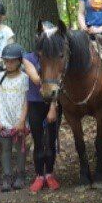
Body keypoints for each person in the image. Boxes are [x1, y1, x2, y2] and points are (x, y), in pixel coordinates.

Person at [23, 24, 61, 193]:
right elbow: (36, 78)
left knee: (51, 140)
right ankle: (39, 175)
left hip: (52, 103)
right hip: (35, 104)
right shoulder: (28, 58)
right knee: (38, 141)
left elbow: (58, 84)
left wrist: (53, 106)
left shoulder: (57, 59)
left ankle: (50, 174)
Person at [0, 43, 30, 192]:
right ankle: (7, 175)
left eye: (12, 61)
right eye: (6, 61)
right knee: (5, 148)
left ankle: (21, 174)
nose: (9, 64)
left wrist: (22, 120)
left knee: (20, 148)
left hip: (18, 120)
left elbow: (26, 100)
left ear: (20, 61)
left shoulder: (24, 78)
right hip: (3, 120)